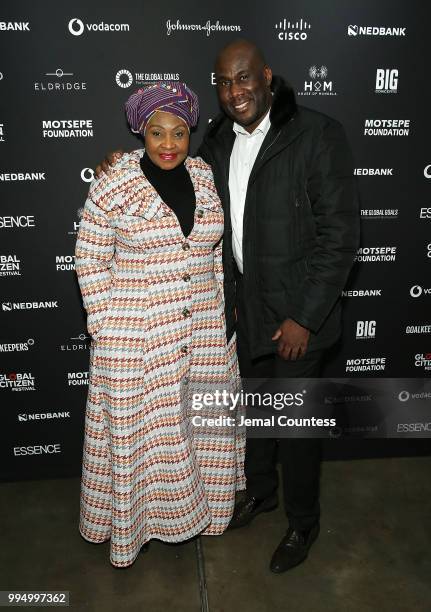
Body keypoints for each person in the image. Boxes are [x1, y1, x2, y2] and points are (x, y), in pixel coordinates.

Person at [96, 39, 360, 574]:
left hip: (297, 320)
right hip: (243, 313)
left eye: (243, 79)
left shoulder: (316, 134)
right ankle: (259, 494)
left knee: (298, 430)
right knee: (256, 419)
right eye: (223, 82)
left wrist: (304, 317)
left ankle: (302, 522)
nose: (234, 91)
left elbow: (341, 236)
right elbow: (169, 171)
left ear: (265, 76)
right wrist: (117, 162)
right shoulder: (214, 142)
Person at [75, 81, 245, 569]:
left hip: (205, 328)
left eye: (177, 132)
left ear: (190, 133)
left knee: (201, 432)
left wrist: (223, 309)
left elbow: (212, 249)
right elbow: (89, 256)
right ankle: (137, 529)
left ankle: (204, 514)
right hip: (137, 334)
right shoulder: (114, 180)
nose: (168, 144)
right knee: (145, 437)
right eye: (156, 133)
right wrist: (106, 323)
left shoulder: (203, 174)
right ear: (140, 133)